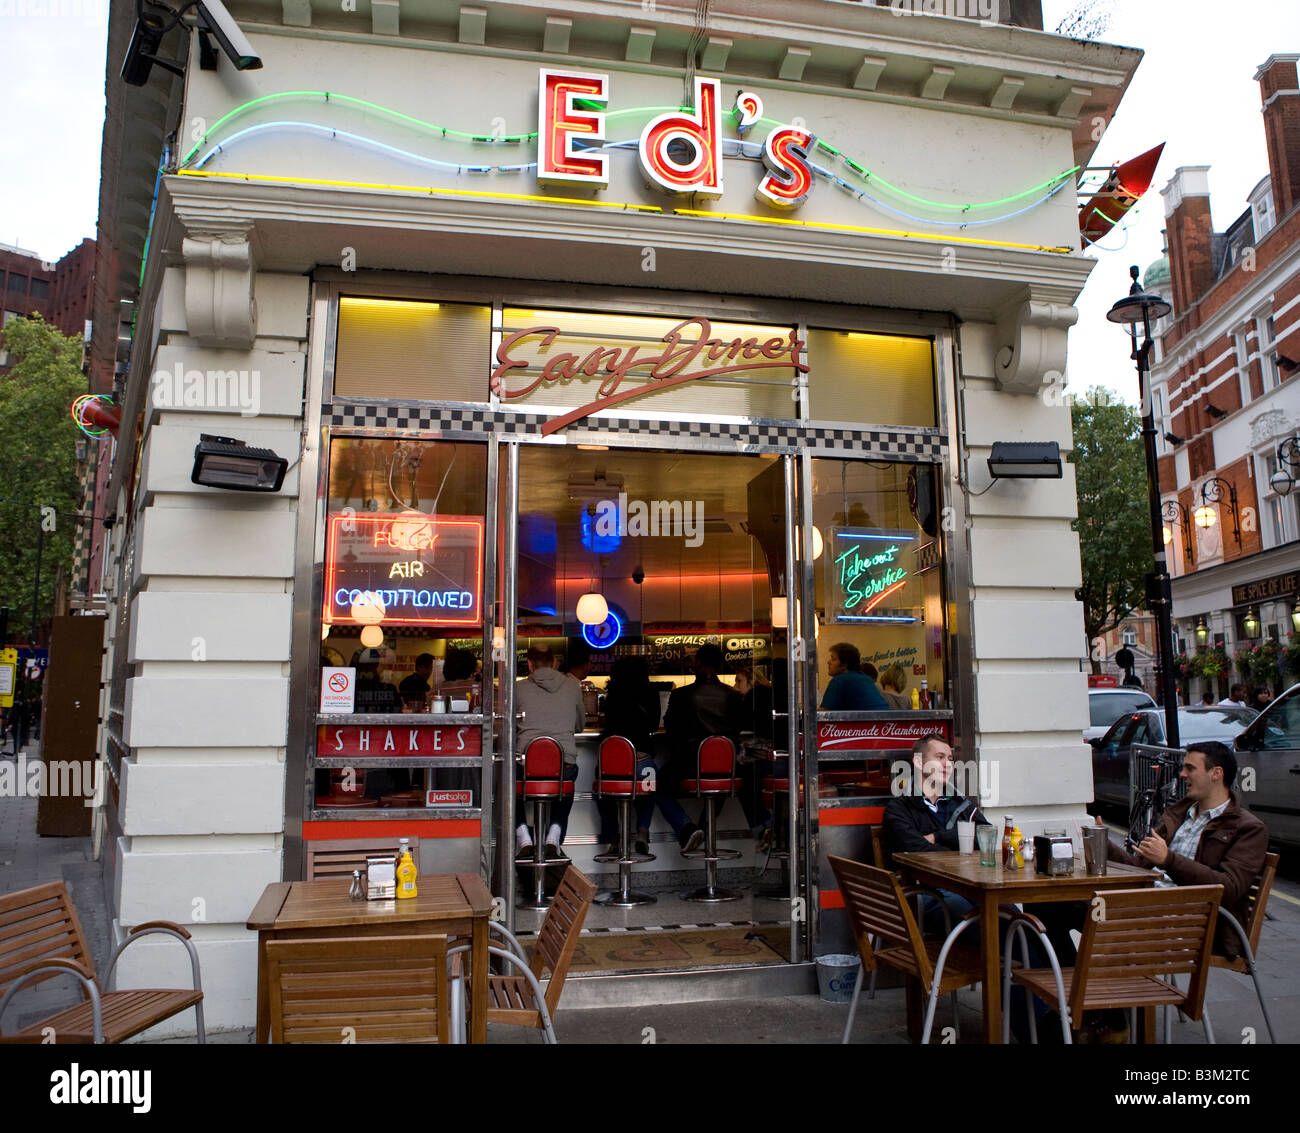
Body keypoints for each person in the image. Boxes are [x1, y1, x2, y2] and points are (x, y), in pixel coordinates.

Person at [1108, 740, 1268, 959]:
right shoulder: (1179, 814)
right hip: (1149, 907)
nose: (1182, 774)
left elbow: (1228, 888)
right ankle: (1070, 987)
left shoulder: (1248, 828)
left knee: (1095, 921)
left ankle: (1081, 987)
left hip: (1194, 922)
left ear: (1216, 773)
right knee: (1063, 910)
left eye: (1190, 768)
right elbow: (1139, 868)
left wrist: (1168, 860)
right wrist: (1101, 844)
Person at [882, 734, 988, 932]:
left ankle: (1047, 963)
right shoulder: (900, 808)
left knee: (1011, 913)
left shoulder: (960, 803)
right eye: (939, 757)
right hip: (925, 892)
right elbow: (917, 851)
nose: (947, 764)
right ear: (919, 762)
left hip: (969, 886)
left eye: (950, 759)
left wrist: (939, 837)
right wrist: (960, 846)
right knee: (974, 918)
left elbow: (985, 836)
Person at [662, 643, 744, 852]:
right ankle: (704, 829)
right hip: (726, 769)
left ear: (697, 663)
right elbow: (739, 729)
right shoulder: (733, 696)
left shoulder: (681, 695)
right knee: (722, 786)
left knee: (656, 784)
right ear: (719, 665)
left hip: (689, 767)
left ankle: (686, 827)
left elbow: (671, 730)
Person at [514, 645, 586, 860]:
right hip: (563, 767)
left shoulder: (517, 688)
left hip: (526, 768)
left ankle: (523, 835)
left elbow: (505, 726)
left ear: (529, 664)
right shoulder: (573, 685)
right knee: (569, 776)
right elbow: (580, 726)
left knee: (507, 781)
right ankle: (554, 833)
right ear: (554, 663)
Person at [595, 656, 660, 858]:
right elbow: (654, 726)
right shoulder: (651, 694)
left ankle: (614, 838)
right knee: (650, 786)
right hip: (643, 765)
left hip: (612, 767)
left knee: (601, 790)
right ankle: (642, 830)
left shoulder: (612, 695)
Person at [819, 642, 888, 710]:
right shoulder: (866, 679)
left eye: (833, 659)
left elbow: (823, 714)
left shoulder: (839, 680)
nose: (828, 661)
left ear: (844, 665)